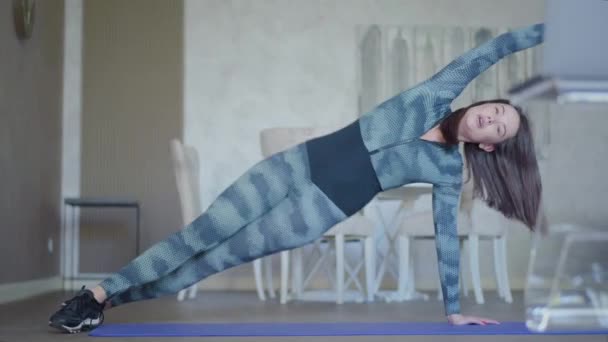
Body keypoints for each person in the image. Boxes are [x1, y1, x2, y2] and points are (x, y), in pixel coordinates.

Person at [49, 23, 544, 333]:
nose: (491, 118)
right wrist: (564, 32)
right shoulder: (436, 92)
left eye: (499, 128)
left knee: (202, 266)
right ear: (482, 103)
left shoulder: (448, 169)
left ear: (489, 145)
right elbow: (497, 47)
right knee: (198, 234)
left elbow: (445, 239)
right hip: (293, 164)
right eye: (496, 109)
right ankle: (94, 294)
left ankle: (103, 299)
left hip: (316, 211)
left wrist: (454, 311)